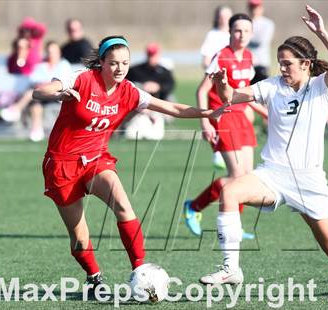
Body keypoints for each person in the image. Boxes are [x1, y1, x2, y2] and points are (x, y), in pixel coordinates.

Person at [199, 5, 328, 295]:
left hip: (308, 181)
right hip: (272, 174)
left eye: (287, 63)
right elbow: (232, 97)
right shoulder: (272, 86)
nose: (281, 68)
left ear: (305, 63)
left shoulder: (320, 87)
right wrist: (223, 85)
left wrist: (321, 31)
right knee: (230, 192)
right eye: (279, 62)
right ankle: (231, 269)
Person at [32, 35, 225, 296]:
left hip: (96, 159)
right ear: (101, 62)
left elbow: (171, 108)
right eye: (113, 63)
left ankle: (140, 267)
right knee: (79, 236)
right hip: (62, 164)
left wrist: (207, 113)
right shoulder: (82, 79)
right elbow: (38, 91)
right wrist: (59, 92)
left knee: (123, 205)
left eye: (125, 62)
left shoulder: (129, 91)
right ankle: (94, 276)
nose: (120, 68)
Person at [184, 14, 268, 240]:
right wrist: (204, 121)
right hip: (223, 118)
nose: (242, 35)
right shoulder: (222, 56)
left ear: (252, 34)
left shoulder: (249, 56)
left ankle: (234, 225)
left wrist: (265, 113)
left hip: (242, 118)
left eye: (246, 31)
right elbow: (202, 91)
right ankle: (193, 206)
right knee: (237, 175)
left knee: (247, 176)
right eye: (237, 31)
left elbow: (245, 94)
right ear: (230, 32)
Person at [1, 41, 72, 141]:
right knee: (35, 103)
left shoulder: (64, 65)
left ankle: (16, 109)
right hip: (43, 93)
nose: (51, 54)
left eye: (54, 52)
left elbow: (63, 82)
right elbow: (34, 79)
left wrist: (46, 85)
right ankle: (36, 129)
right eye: (49, 52)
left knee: (31, 93)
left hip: (58, 95)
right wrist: (46, 84)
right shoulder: (41, 65)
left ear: (59, 52)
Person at [200, 5, 233, 168]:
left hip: (231, 80)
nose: (225, 18)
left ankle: (231, 148)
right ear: (217, 17)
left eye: (228, 15)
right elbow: (206, 59)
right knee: (217, 114)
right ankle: (218, 151)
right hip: (215, 79)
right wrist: (213, 70)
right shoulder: (212, 35)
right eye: (222, 15)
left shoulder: (234, 35)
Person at [124, 42, 175, 140]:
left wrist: (158, 87)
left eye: (154, 55)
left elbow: (170, 86)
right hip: (138, 105)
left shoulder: (164, 72)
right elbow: (126, 84)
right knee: (131, 134)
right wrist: (142, 86)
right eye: (150, 55)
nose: (152, 58)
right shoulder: (135, 70)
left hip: (158, 105)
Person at [247, 0, 275, 83]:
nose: (254, 10)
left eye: (256, 7)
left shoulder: (267, 23)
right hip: (246, 64)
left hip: (261, 64)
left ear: (261, 8)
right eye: (252, 7)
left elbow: (260, 41)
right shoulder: (245, 22)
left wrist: (244, 38)